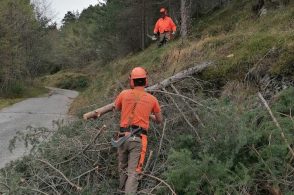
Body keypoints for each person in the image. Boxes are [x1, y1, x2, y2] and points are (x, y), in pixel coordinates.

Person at [84, 67, 163, 194]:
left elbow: (117, 107)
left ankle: (121, 190)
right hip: (138, 140)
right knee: (134, 173)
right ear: (145, 80)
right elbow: (159, 120)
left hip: (122, 138)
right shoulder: (152, 99)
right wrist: (148, 114)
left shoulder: (124, 94)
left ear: (131, 81)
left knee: (122, 168)